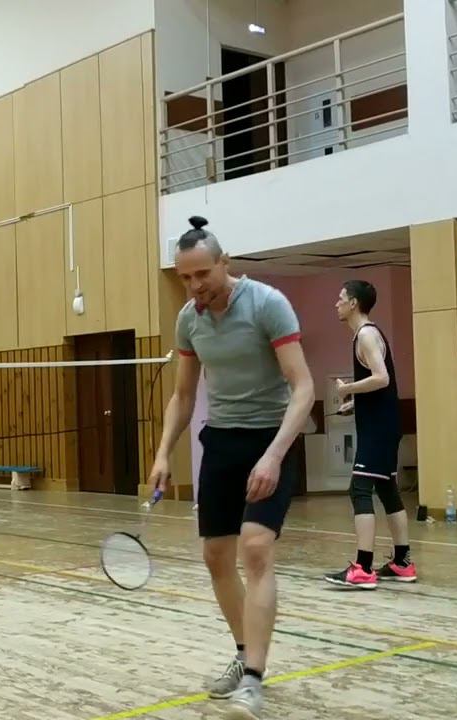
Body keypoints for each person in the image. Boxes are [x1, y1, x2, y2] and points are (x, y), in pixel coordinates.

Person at [149, 216, 314, 719]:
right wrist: (162, 453)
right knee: (216, 557)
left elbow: (303, 387)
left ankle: (255, 680)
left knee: (256, 547)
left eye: (203, 273)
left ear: (225, 262)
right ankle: (244, 656)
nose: (195, 285)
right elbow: (183, 395)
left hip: (271, 437)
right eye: (185, 277)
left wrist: (274, 455)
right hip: (221, 441)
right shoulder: (189, 319)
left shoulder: (267, 304)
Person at [325, 280, 417, 589]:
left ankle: (363, 568)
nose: (336, 303)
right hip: (383, 425)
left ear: (353, 303)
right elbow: (382, 389)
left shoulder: (365, 335)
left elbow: (381, 378)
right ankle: (402, 562)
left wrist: (347, 389)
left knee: (359, 490)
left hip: (378, 430)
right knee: (388, 490)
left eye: (340, 298)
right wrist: (355, 404)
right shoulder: (368, 334)